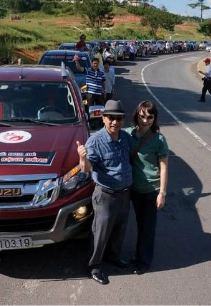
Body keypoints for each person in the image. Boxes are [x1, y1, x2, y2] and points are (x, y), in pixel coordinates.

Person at [76, 100, 132, 285]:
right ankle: (94, 266)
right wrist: (82, 157)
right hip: (106, 194)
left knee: (120, 228)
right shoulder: (95, 141)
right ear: (103, 118)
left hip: (124, 192)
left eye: (119, 118)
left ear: (123, 120)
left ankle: (114, 257)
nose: (114, 122)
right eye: (111, 118)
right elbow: (86, 168)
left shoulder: (124, 137)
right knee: (100, 231)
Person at [126, 100, 169, 276]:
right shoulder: (128, 134)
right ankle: (138, 255)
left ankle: (144, 262)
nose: (146, 120)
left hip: (151, 190)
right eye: (142, 116)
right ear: (137, 115)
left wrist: (162, 193)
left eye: (150, 117)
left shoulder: (159, 139)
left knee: (148, 227)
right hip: (134, 189)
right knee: (139, 223)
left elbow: (164, 166)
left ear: (154, 118)